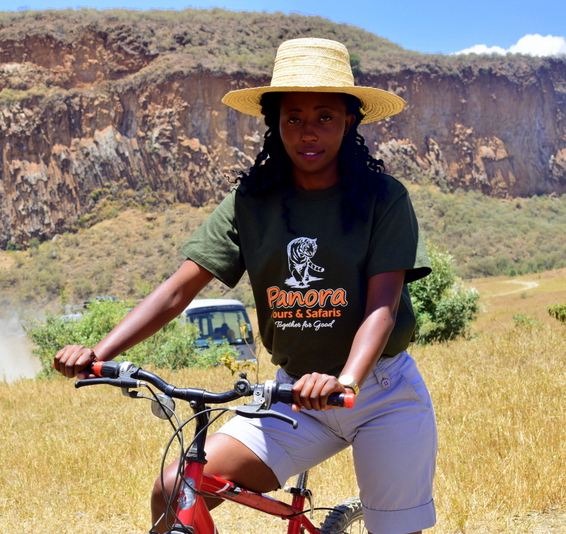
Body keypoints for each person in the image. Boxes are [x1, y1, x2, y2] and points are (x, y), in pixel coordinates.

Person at [54, 37, 437, 534]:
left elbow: (382, 307)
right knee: (175, 487)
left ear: (350, 120)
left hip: (379, 392)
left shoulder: (384, 198)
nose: (307, 132)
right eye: (292, 118)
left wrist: (345, 380)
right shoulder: (251, 202)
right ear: (275, 125)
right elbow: (179, 290)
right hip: (292, 396)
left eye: (324, 116)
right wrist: (99, 351)